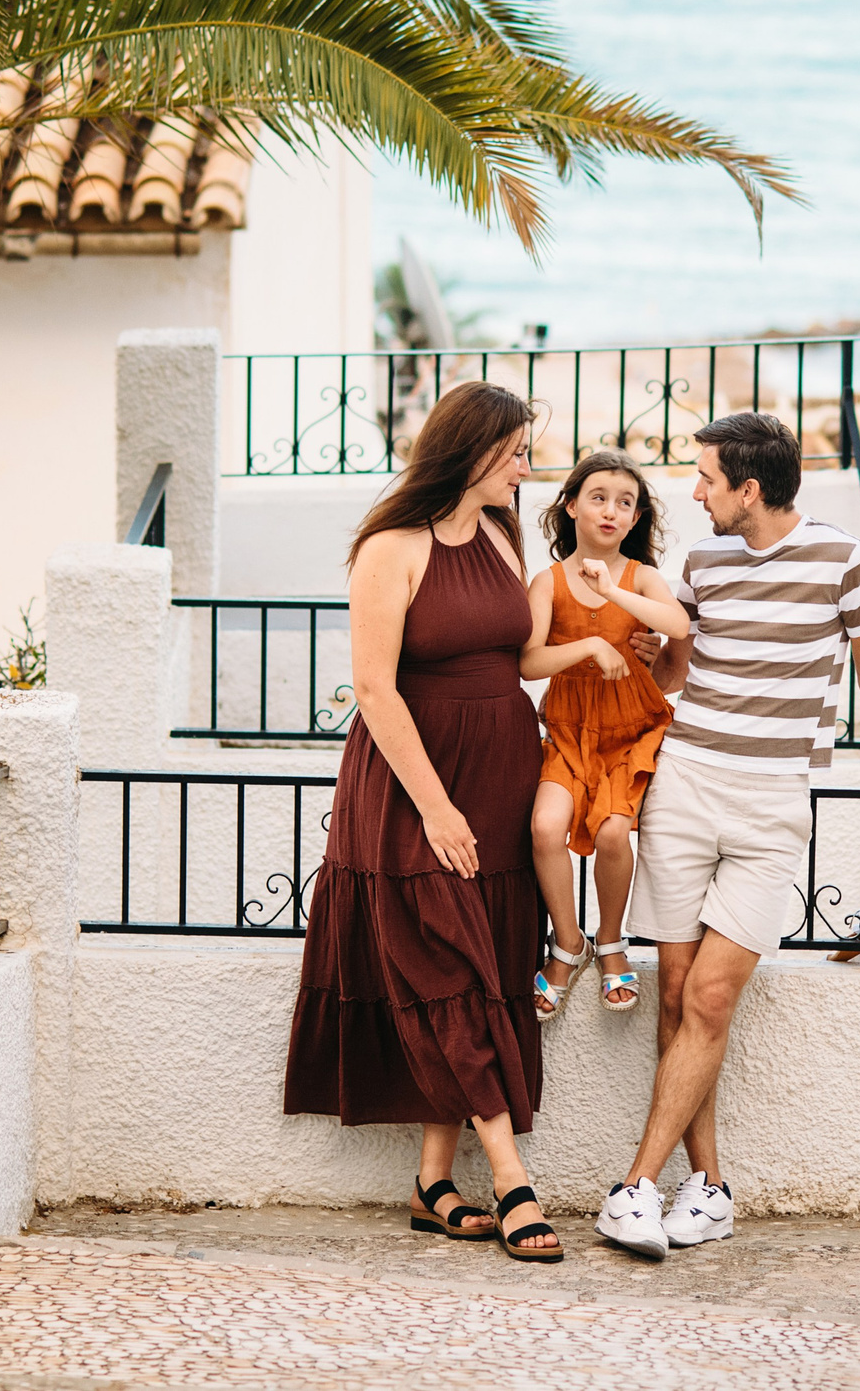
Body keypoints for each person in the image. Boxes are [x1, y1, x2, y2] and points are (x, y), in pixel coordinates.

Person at [595, 411, 860, 1259]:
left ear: (751, 488)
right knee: (674, 993)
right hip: (686, 782)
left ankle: (633, 1185)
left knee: (710, 997)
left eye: (707, 479)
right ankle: (704, 1190)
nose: (695, 493)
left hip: (773, 800)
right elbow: (680, 671)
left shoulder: (848, 563)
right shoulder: (701, 560)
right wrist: (650, 652)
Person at [281, 382, 563, 1262]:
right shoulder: (389, 548)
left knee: (480, 967)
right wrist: (435, 805)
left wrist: (598, 637)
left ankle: (433, 1181)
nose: (529, 466)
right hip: (414, 783)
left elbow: (518, 655)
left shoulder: (502, 535)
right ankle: (512, 1181)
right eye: (517, 451)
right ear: (474, 453)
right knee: (446, 960)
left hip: (502, 774)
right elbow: (374, 687)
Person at [517, 449, 689, 1020]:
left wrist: (612, 590)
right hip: (568, 730)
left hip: (627, 730)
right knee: (545, 827)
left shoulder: (641, 578)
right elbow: (529, 662)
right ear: (570, 506)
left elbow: (677, 625)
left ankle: (611, 941)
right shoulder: (547, 581)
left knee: (615, 835)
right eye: (597, 498)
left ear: (636, 519)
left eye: (625, 503)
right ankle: (569, 944)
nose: (611, 511)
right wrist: (591, 645)